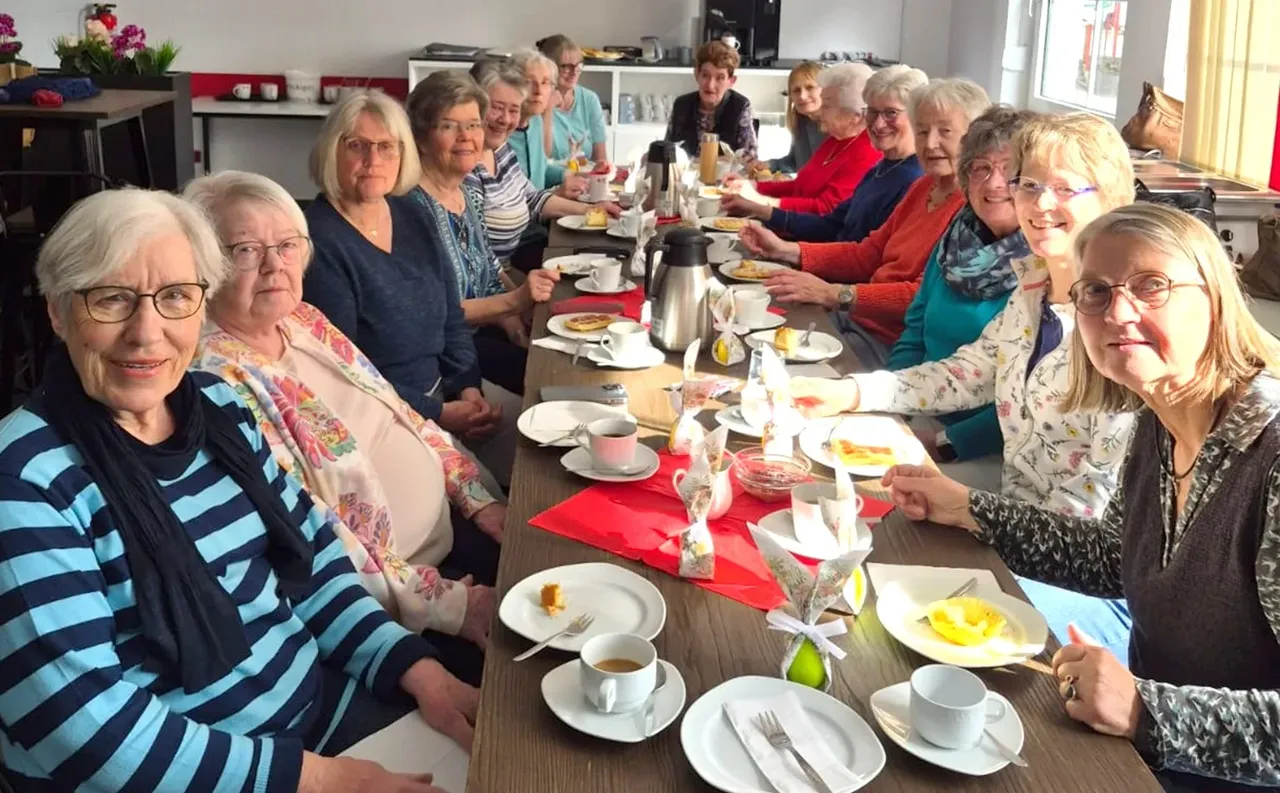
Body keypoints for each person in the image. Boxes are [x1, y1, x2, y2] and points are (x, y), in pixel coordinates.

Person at [0, 187, 476, 792]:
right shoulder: (24, 479)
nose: (147, 333)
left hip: (312, 714)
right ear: (57, 311)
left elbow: (312, 563)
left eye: (175, 296)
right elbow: (83, 730)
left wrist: (413, 668)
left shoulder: (218, 407)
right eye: (111, 298)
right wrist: (321, 781)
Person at [880, 202, 1280, 792]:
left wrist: (1145, 710)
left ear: (1216, 299)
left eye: (1152, 285)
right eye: (1095, 291)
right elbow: (1114, 557)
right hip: (1143, 750)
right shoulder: (1159, 420)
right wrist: (968, 507)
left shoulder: (1270, 459)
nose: (1118, 312)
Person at [791, 112, 1140, 661]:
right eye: (1030, 184)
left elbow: (1101, 533)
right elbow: (965, 373)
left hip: (1083, 580)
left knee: (886, 607)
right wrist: (853, 393)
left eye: (1064, 187)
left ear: (1113, 196)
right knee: (856, 555)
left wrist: (971, 508)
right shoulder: (1033, 289)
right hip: (1011, 524)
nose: (1039, 202)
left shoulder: (1124, 326)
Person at [187, 170, 506, 687]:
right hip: (396, 603)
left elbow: (400, 414)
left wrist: (477, 498)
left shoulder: (304, 320)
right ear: (205, 265)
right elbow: (312, 537)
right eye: (245, 250)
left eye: (287, 245)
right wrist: (449, 604)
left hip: (451, 529)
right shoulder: (217, 382)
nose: (274, 264)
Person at [301, 90, 521, 489]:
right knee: (494, 496)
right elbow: (346, 374)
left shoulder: (411, 212)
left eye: (387, 147)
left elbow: (451, 318)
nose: (374, 161)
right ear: (332, 151)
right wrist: (439, 413)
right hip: (389, 416)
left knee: (545, 450)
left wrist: (468, 387)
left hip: (449, 393)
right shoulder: (320, 242)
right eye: (357, 146)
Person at [740, 78, 990, 366]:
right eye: (922, 131)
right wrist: (784, 250)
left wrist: (833, 294)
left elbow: (921, 296)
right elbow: (867, 254)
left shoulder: (974, 210)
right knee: (752, 333)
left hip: (892, 344)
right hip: (857, 321)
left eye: (945, 131)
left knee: (765, 361)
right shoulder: (923, 187)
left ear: (974, 138)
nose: (930, 143)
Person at [888, 105, 1037, 463]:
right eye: (981, 168)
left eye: (1010, 170)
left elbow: (1025, 398)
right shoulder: (958, 239)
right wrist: (892, 411)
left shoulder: (1046, 264)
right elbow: (915, 330)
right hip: (921, 407)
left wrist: (947, 443)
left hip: (992, 447)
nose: (994, 183)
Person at [405, 70, 560, 397]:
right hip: (444, 359)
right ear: (420, 137)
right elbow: (436, 313)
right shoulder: (410, 209)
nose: (466, 136)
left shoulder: (467, 193)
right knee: (551, 382)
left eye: (473, 125)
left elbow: (490, 269)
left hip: (484, 332)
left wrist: (517, 322)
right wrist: (515, 302)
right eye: (449, 126)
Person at [468, 59, 619, 271]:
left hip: (510, 266)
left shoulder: (500, 150)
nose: (505, 119)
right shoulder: (468, 168)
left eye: (513, 110)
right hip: (497, 277)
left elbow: (532, 197)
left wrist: (592, 210)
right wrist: (519, 291)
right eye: (497, 108)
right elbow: (479, 259)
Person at [763, 64, 928, 244]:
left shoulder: (913, 180)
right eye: (872, 112)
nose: (878, 124)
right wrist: (763, 211)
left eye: (891, 113)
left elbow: (868, 253)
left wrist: (792, 251)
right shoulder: (879, 170)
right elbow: (833, 224)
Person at [722, 63, 880, 216]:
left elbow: (826, 209)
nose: (820, 112)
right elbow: (800, 186)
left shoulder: (867, 152)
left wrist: (761, 201)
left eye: (826, 106)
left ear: (855, 116)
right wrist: (753, 186)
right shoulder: (836, 139)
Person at [665, 40, 757, 161]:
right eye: (705, 75)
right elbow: (668, 150)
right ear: (696, 74)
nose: (710, 85)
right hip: (685, 173)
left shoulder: (740, 106)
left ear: (731, 81)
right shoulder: (681, 105)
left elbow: (750, 157)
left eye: (720, 78)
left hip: (726, 173)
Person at [508, 48, 573, 192]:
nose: (538, 91)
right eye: (529, 82)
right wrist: (557, 194)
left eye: (545, 82)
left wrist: (569, 175)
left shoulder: (536, 121)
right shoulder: (500, 132)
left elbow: (540, 170)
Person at [538, 34, 609, 164]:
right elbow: (540, 158)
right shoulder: (537, 101)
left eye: (578, 66)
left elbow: (601, 159)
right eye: (567, 67)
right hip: (552, 175)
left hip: (586, 175)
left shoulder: (590, 100)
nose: (574, 72)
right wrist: (547, 109)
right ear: (549, 68)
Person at [755, 60, 825, 174]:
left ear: (825, 89)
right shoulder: (799, 120)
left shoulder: (839, 126)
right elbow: (794, 162)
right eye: (796, 90)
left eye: (810, 87)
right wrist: (770, 165)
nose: (802, 96)